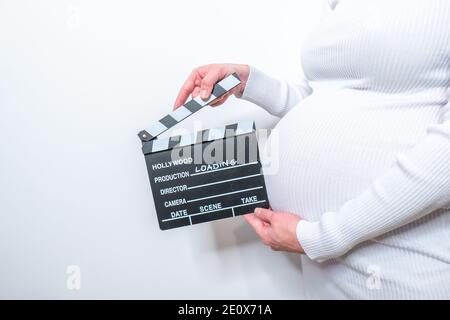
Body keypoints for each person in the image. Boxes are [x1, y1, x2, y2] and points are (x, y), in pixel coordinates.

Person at [173, 0, 450, 299]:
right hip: (323, 268)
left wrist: (322, 238)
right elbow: (328, 96)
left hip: (402, 262)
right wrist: (249, 82)